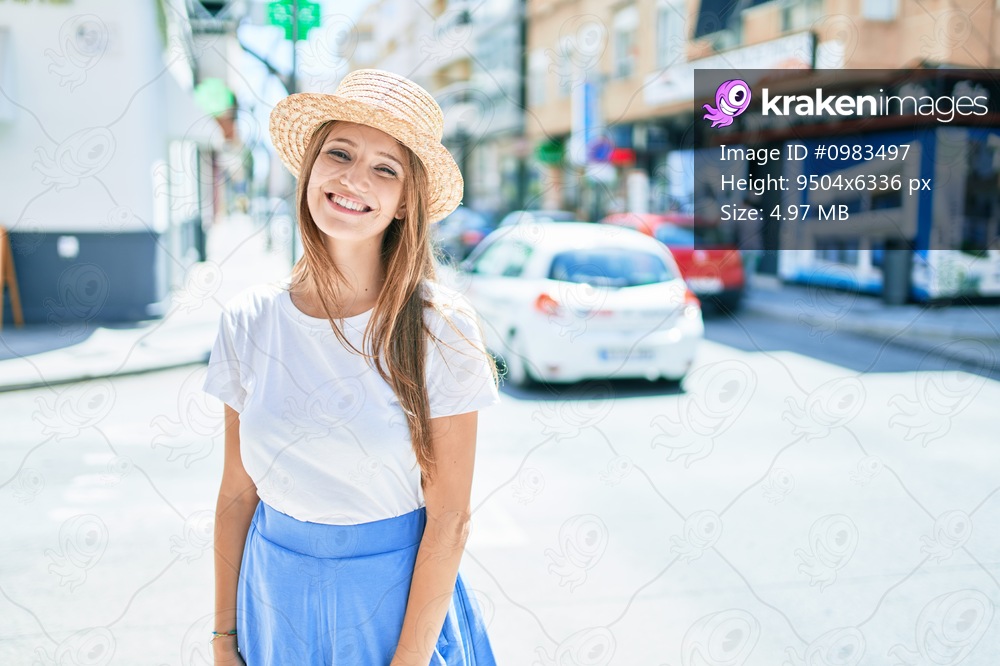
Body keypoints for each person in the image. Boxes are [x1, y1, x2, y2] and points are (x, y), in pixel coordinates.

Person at [202, 69, 500, 665]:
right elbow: (237, 494)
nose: (354, 178)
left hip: (393, 606)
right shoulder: (249, 320)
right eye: (339, 152)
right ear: (310, 168)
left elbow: (449, 519)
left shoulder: (440, 327)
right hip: (271, 597)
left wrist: (409, 660)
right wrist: (224, 638)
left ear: (404, 203)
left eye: (385, 168)